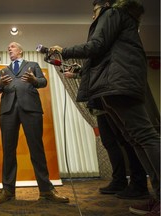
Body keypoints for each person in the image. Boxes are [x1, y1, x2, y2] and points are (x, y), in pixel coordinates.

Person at [49, 0, 160, 215]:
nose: (93, 17)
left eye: (94, 12)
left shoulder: (112, 13)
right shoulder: (120, 19)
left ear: (106, 4)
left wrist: (65, 50)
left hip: (118, 83)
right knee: (135, 139)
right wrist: (80, 73)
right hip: (111, 85)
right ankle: (158, 197)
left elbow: (95, 46)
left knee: (145, 137)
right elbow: (100, 56)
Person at [0, 41, 69, 205]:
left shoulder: (33, 65)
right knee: (8, 151)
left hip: (31, 109)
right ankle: (7, 191)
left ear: (20, 51)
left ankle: (46, 191)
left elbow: (43, 82)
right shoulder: (4, 70)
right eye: (8, 47)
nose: (9, 49)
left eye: (12, 46)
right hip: (8, 111)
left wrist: (34, 80)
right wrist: (0, 84)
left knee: (37, 149)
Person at [65, 64, 150, 200]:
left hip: (112, 101)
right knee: (109, 144)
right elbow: (94, 75)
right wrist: (77, 73)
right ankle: (119, 181)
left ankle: (139, 184)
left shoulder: (107, 55)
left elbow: (102, 73)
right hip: (100, 106)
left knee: (128, 142)